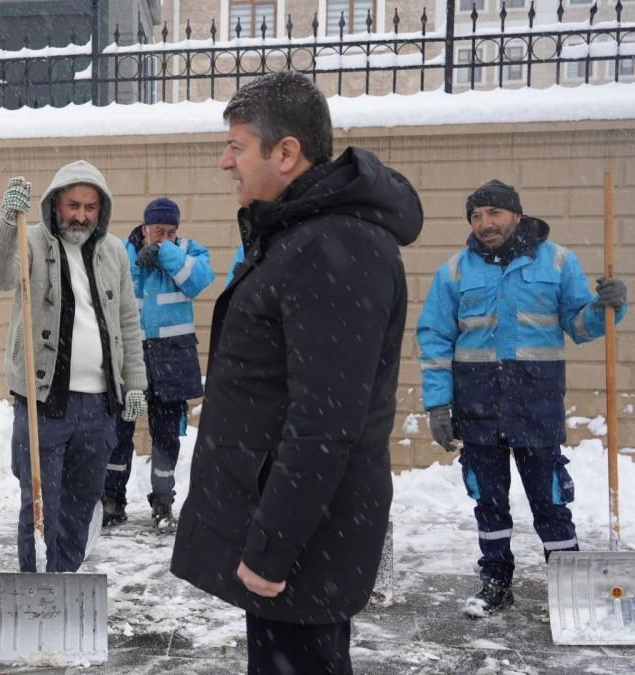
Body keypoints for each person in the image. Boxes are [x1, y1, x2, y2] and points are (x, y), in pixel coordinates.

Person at [170, 72, 422, 674]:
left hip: (307, 541)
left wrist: (272, 550)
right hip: (298, 532)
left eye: (236, 145)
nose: (224, 161)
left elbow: (324, 422)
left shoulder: (334, 246)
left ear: (285, 153)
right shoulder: (302, 236)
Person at [417, 178, 628, 617]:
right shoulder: (454, 272)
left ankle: (570, 588)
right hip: (477, 407)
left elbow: (580, 326)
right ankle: (496, 582)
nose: (484, 223)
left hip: (536, 403)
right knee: (488, 503)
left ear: (516, 214)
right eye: (476, 216)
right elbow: (435, 338)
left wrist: (607, 306)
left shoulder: (557, 262)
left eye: (493, 213)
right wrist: (438, 404)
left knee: (550, 501)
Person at [0, 161, 148, 574]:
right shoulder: (31, 239)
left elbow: (128, 320)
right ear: (55, 204)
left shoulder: (112, 253)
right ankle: (34, 589)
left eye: (90, 207)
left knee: (80, 507)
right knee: (39, 507)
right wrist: (6, 221)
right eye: (73, 205)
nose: (81, 215)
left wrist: (135, 385)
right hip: (43, 403)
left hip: (98, 406)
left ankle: (63, 587)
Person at [103, 197, 214, 529]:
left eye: (169, 231)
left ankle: (163, 502)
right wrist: (141, 259)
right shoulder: (120, 252)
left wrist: (164, 253)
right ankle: (111, 500)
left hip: (173, 357)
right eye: (156, 231)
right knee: (118, 432)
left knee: (166, 435)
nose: (162, 236)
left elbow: (197, 281)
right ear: (144, 226)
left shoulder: (192, 252)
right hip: (130, 356)